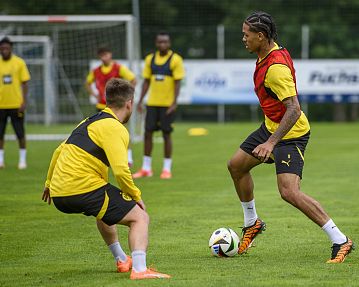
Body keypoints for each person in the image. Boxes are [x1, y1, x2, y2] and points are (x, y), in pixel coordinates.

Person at [227, 11, 354, 263]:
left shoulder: (275, 69)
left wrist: (271, 143)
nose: (243, 39)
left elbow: (294, 108)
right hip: (271, 126)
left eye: (246, 35)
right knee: (236, 166)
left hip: (290, 134)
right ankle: (252, 223)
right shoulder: (269, 51)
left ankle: (340, 240)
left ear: (261, 36)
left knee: (289, 192)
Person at [42, 78, 170, 280]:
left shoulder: (88, 121)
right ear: (129, 103)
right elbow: (120, 171)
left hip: (59, 193)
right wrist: (136, 196)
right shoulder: (115, 128)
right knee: (140, 218)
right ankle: (139, 269)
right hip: (82, 188)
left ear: (107, 101)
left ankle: (121, 260)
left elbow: (58, 151)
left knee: (104, 210)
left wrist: (49, 184)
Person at [133, 32, 185, 179]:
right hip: (152, 104)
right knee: (147, 133)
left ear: (169, 43)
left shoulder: (175, 60)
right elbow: (146, 81)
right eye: (160, 42)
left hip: (167, 105)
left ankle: (166, 169)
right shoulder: (150, 59)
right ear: (156, 43)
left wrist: (174, 103)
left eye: (165, 42)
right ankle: (146, 168)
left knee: (166, 134)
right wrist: (140, 100)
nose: (163, 44)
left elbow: (177, 83)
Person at [86, 46, 136, 166]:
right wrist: (95, 94)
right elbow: (87, 83)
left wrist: (126, 96)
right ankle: (103, 157)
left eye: (106, 54)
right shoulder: (96, 71)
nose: (105, 57)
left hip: (117, 106)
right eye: (102, 55)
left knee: (122, 129)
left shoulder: (118, 68)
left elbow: (133, 80)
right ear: (99, 57)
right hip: (101, 105)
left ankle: (128, 158)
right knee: (101, 132)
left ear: (110, 54)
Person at [0, 37, 31, 169]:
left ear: (11, 48)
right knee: (0, 133)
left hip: (16, 105)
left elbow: (25, 83)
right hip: (1, 105)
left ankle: (22, 160)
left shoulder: (19, 63)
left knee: (20, 133)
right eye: (2, 48)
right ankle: (0, 160)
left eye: (6, 48)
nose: (4, 50)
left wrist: (23, 101)